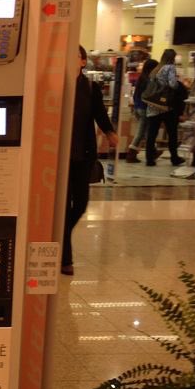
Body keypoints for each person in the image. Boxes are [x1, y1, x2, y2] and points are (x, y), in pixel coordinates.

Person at [61, 45, 118, 276]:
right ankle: (65, 259)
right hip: (59, 157)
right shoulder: (58, 86)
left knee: (81, 204)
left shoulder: (91, 88)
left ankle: (60, 234)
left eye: (74, 56)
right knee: (63, 207)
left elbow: (100, 113)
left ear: (83, 62)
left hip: (82, 156)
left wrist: (110, 132)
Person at [144, 48, 186, 167]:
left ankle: (149, 159)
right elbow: (173, 84)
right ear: (172, 58)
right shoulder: (170, 67)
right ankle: (174, 157)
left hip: (154, 105)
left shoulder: (156, 69)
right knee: (172, 132)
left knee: (152, 133)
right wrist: (179, 84)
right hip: (166, 106)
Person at [125, 57, 158, 162]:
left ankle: (153, 151)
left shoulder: (141, 78)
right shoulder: (148, 80)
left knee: (146, 131)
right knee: (141, 132)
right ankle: (131, 154)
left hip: (138, 107)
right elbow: (149, 96)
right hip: (144, 108)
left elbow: (136, 95)